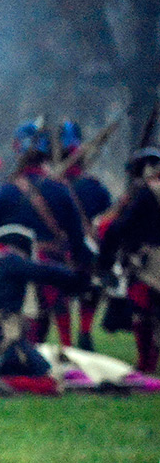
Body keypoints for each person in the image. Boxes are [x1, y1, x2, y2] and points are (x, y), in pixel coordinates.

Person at [0, 121, 92, 347]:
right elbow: (77, 240)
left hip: (17, 274)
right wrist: (82, 272)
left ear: (18, 149)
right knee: (59, 331)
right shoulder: (59, 189)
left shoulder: (7, 191)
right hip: (54, 271)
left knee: (26, 336)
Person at [0, 224, 93, 395]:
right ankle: (0, 383)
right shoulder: (10, 260)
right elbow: (47, 273)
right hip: (2, 342)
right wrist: (81, 277)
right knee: (49, 382)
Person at [96, 147, 160, 373]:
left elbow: (118, 229)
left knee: (142, 312)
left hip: (149, 261)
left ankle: (146, 363)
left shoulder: (145, 193)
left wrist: (104, 260)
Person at [54, 121, 111, 351]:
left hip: (61, 251)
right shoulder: (95, 187)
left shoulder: (48, 186)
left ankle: (69, 343)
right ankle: (84, 334)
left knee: (61, 296)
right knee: (89, 292)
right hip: (86, 251)